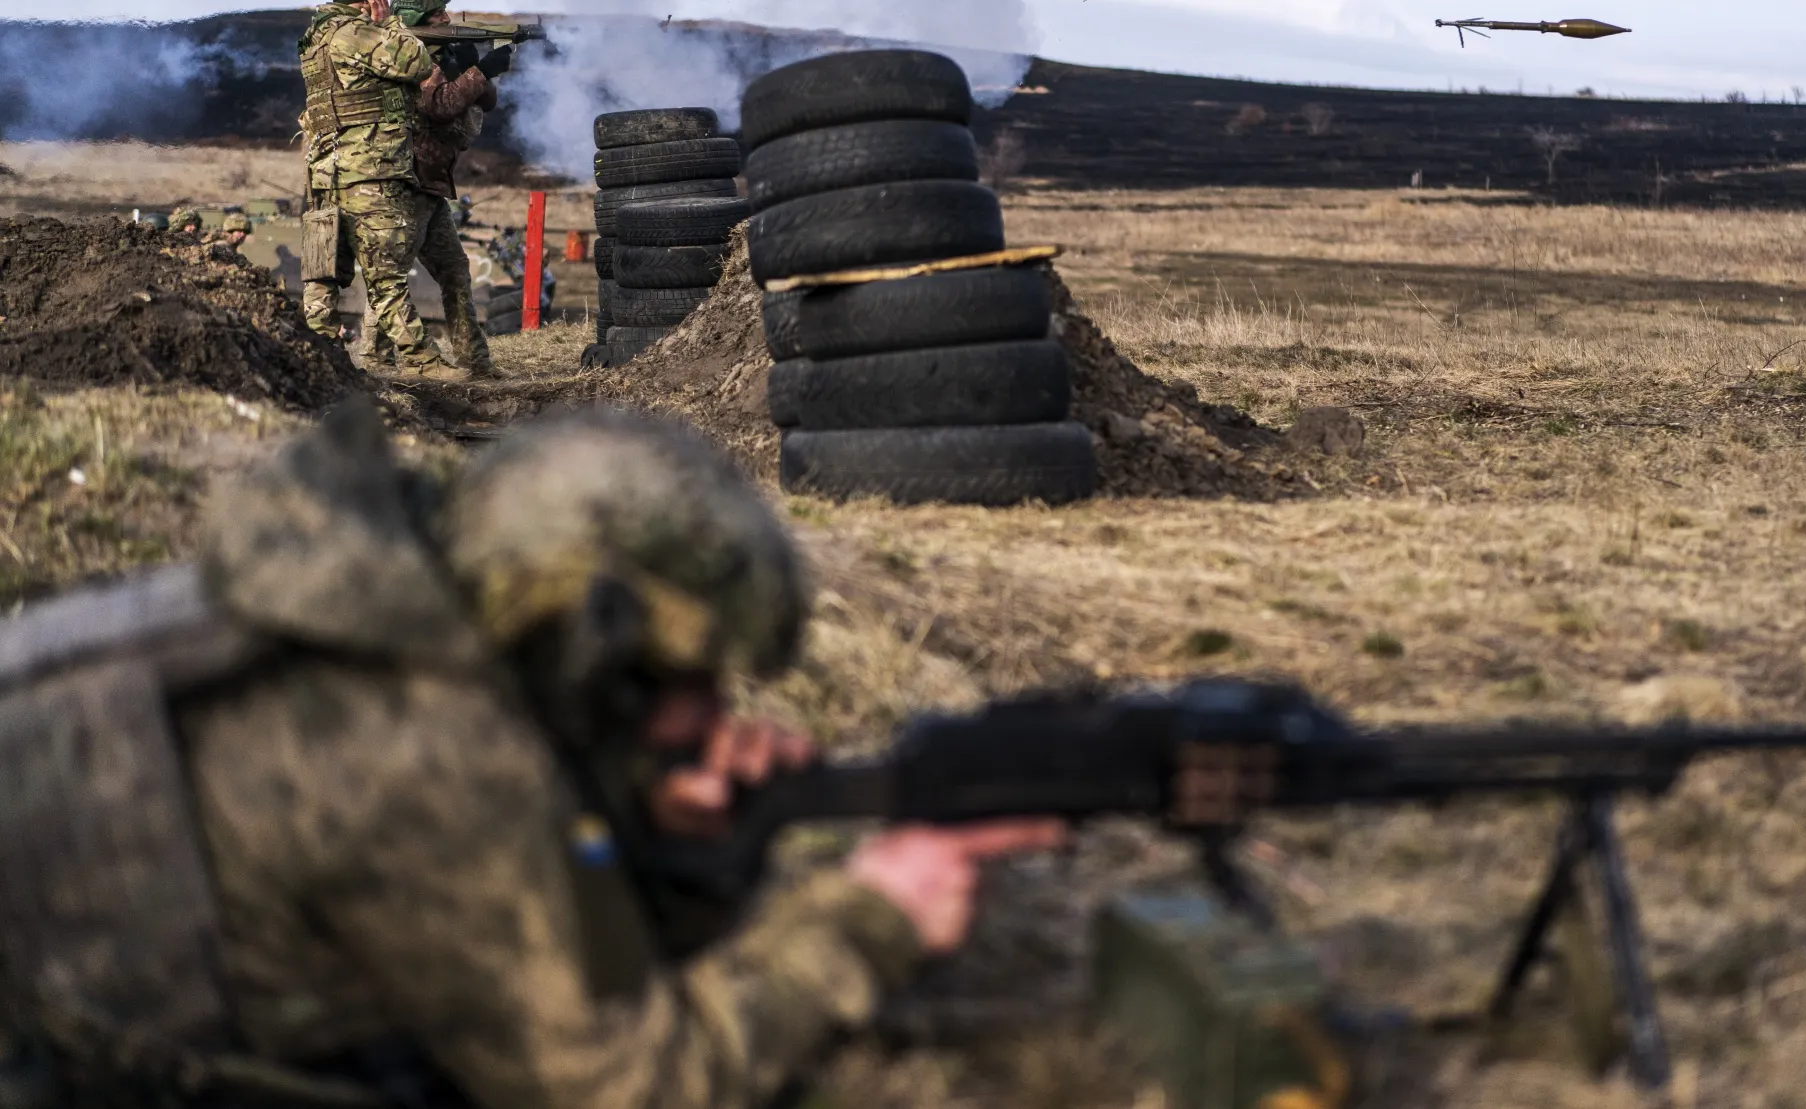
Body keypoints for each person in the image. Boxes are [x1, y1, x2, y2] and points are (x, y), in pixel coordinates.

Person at [0, 404, 1060, 1108]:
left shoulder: (373, 602)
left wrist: (660, 840)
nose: (704, 717)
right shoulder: (428, 748)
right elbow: (626, 1086)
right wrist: (866, 918)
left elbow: (476, 917)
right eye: (676, 681)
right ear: (585, 641)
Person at [296, 0, 455, 377]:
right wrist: (390, 26)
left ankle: (321, 360)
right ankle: (424, 362)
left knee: (323, 274)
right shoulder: (358, 33)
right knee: (386, 278)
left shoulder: (314, 38)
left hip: (325, 174)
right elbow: (415, 62)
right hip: (368, 173)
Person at [383, 0, 507, 378]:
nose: (445, 17)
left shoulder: (439, 50)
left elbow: (483, 100)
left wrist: (475, 67)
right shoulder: (405, 52)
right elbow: (438, 104)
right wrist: (476, 72)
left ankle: (476, 362)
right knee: (392, 275)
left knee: (454, 271)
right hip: (410, 175)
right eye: (437, 12)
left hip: (431, 181)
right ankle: (372, 356)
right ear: (416, 15)